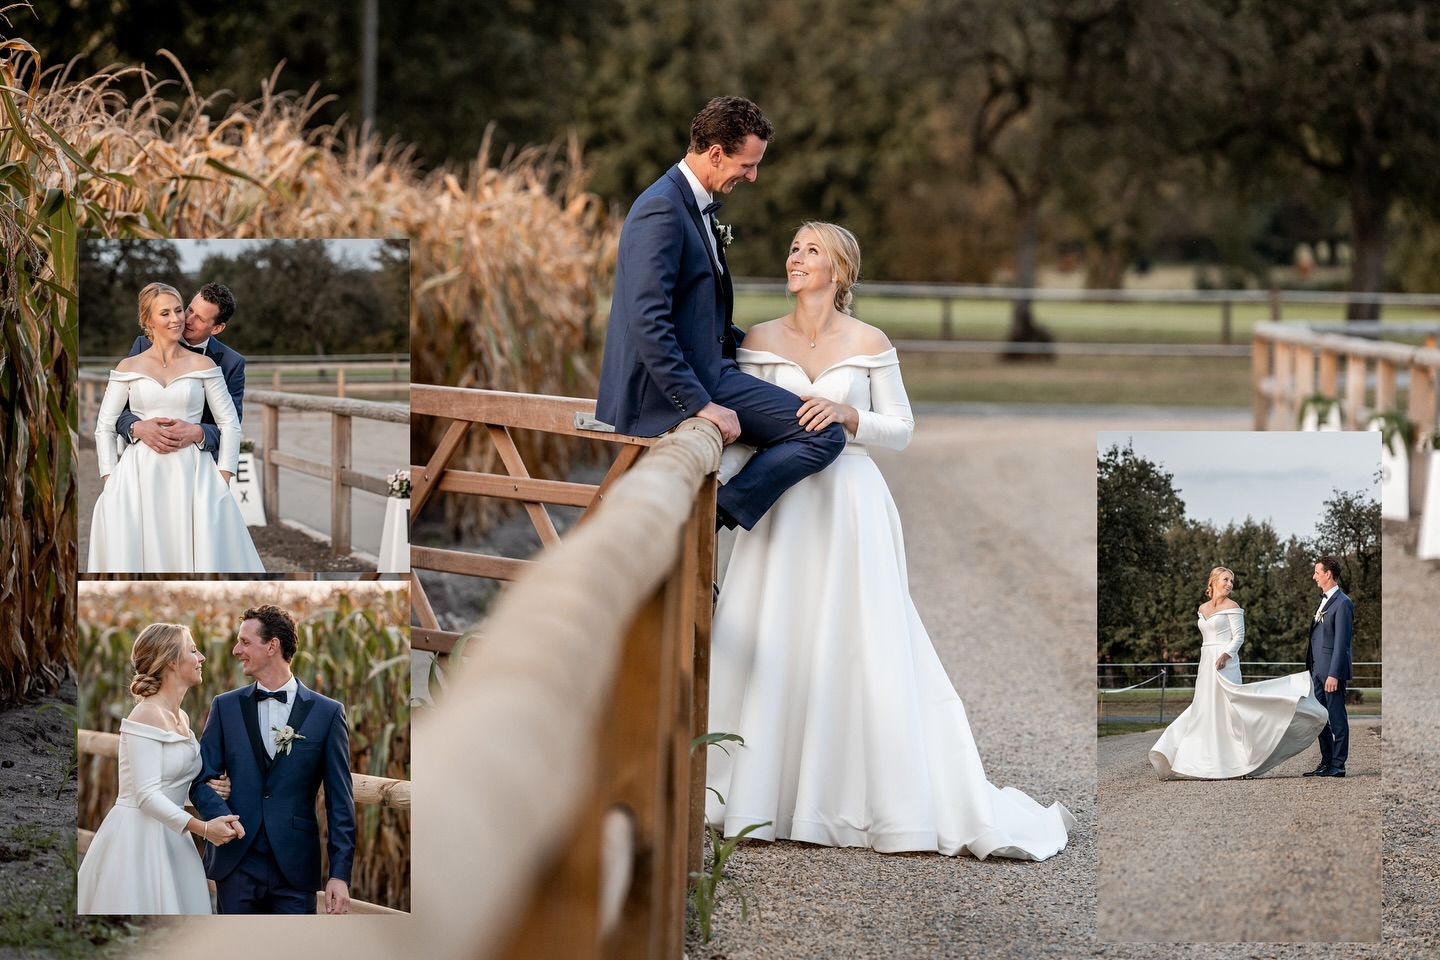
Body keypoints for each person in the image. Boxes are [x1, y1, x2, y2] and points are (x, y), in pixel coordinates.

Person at [705, 222, 1073, 860]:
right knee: (776, 634)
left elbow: (901, 429)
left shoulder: (869, 342)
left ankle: (848, 799)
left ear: (839, 271)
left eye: (811, 250)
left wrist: (851, 416)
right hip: (782, 510)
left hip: (851, 506)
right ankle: (761, 794)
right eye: (794, 248)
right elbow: (740, 428)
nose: (796, 258)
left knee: (858, 642)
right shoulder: (760, 340)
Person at [596, 96, 845, 530]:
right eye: (747, 165)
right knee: (823, 433)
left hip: (707, 369)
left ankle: (709, 516)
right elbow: (647, 322)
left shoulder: (693, 205)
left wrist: (770, 349)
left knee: (808, 421)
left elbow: (698, 317)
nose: (752, 176)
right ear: (715, 153)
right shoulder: (662, 210)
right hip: (676, 387)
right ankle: (707, 520)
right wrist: (700, 404)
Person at [190, 604, 356, 914]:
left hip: (295, 869)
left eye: (245, 642)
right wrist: (219, 814)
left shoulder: (328, 713)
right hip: (236, 861)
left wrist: (339, 874)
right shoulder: (224, 707)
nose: (236, 650)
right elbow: (201, 780)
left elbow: (340, 801)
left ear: (272, 646)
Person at [88, 282, 263, 573]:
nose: (183, 320)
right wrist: (112, 475)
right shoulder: (134, 358)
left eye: (183, 312)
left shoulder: (218, 364)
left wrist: (222, 476)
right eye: (184, 310)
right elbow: (108, 421)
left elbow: (230, 424)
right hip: (138, 473)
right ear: (149, 321)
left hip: (192, 473)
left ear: (216, 328)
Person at [77, 623, 244, 914]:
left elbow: (172, 786)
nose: (202, 657)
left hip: (172, 834)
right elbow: (145, 795)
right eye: (193, 650)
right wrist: (204, 829)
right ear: (171, 662)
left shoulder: (181, 717)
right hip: (139, 838)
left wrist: (207, 791)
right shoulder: (146, 714)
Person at [1149, 566, 1328, 779]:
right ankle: (1198, 761)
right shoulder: (1202, 608)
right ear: (1214, 581)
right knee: (1204, 709)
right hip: (1206, 661)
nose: (1229, 585)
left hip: (1225, 662)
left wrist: (1226, 655)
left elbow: (1239, 637)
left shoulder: (1232, 606)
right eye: (1225, 580)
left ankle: (1237, 762)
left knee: (1229, 710)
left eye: (1231, 581)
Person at [116, 282, 245, 464]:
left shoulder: (231, 363)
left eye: (199, 318)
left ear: (217, 328)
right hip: (145, 459)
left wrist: (197, 432)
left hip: (198, 464)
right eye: (189, 310)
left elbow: (231, 425)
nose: (187, 320)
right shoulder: (144, 345)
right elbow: (118, 411)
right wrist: (136, 427)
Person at [1304, 555, 1354, 778]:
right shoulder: (1323, 600)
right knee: (1318, 717)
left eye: (1317, 572)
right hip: (1317, 671)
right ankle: (1326, 761)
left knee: (1336, 718)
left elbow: (1342, 642)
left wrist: (1334, 674)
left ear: (1328, 574)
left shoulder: (1343, 603)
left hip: (1332, 673)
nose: (1314, 576)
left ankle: (1338, 764)